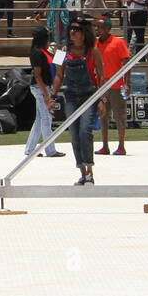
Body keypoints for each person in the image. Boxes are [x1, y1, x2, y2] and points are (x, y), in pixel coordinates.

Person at [52, 17, 106, 185]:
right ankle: (82, 172)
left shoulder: (93, 51)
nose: (72, 32)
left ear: (84, 33)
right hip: (70, 97)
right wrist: (52, 96)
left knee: (85, 131)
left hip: (89, 96)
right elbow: (59, 75)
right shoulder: (62, 51)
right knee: (74, 135)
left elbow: (102, 76)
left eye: (76, 29)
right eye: (71, 29)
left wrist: (101, 99)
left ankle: (90, 170)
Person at [24, 26, 64, 158]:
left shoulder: (43, 51)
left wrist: (61, 53)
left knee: (40, 119)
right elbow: (37, 75)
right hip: (39, 88)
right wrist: (47, 96)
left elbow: (55, 64)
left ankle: (30, 149)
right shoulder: (37, 52)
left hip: (42, 88)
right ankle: (50, 150)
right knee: (46, 118)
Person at [94, 17, 130, 157]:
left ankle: (121, 146)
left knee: (119, 116)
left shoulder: (118, 42)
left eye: (100, 27)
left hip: (116, 85)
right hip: (102, 86)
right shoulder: (96, 44)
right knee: (103, 116)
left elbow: (126, 64)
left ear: (108, 29)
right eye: (96, 27)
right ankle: (105, 146)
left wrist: (127, 83)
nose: (98, 30)